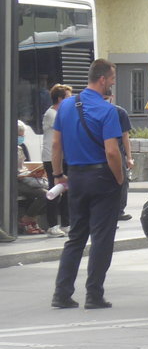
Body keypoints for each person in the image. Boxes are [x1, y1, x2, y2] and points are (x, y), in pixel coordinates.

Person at [50, 59, 124, 309]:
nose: (113, 83)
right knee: (102, 238)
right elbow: (112, 152)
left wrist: (59, 174)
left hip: (77, 178)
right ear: (102, 79)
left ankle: (61, 293)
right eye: (112, 78)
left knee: (76, 236)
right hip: (102, 177)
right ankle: (94, 294)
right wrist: (120, 178)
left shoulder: (67, 105)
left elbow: (56, 145)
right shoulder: (107, 110)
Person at [41, 84, 72, 237]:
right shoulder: (52, 114)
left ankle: (66, 223)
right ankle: (52, 225)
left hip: (65, 156)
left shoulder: (61, 113)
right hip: (51, 158)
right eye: (68, 97)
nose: (71, 100)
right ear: (60, 99)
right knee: (55, 189)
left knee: (67, 190)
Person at [103, 88, 135, 223]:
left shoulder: (120, 112)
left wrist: (129, 157)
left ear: (111, 97)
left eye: (106, 99)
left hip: (118, 151)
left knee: (122, 180)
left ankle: (119, 210)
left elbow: (125, 137)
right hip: (105, 151)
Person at [16, 120, 49, 235]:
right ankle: (28, 219)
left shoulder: (19, 148)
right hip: (17, 182)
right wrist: (30, 174)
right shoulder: (9, 150)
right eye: (20, 135)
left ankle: (31, 219)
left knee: (53, 193)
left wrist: (33, 173)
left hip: (25, 179)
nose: (22, 138)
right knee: (44, 194)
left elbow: (22, 167)